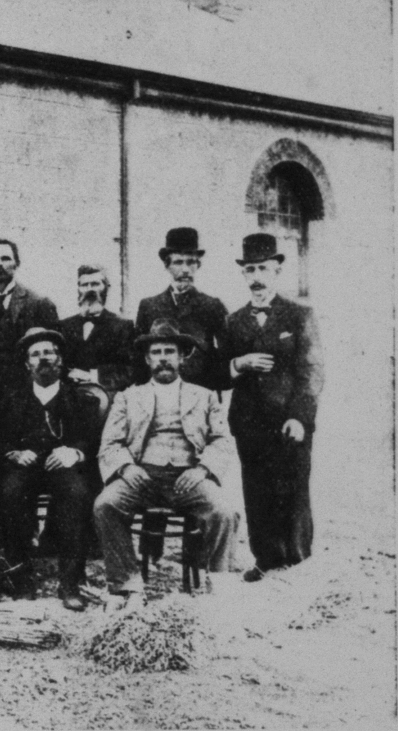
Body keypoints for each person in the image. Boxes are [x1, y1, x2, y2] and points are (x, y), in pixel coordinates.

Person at [95, 319, 239, 608]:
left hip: (190, 478)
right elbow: (109, 444)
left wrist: (202, 470)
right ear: (147, 359)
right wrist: (126, 467)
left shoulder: (205, 396)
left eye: (169, 351)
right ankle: (127, 586)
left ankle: (220, 585)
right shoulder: (128, 397)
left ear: (182, 356)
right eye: (157, 352)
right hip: (142, 477)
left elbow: (222, 441)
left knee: (225, 512)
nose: (163, 358)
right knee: (105, 505)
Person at [223, 234, 324, 582]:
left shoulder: (299, 315)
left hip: (288, 421)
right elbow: (222, 370)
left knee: (293, 489)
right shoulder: (233, 321)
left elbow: (311, 372)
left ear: (277, 270)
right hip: (249, 422)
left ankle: (297, 561)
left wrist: (299, 416)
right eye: (250, 269)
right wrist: (240, 362)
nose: (256, 276)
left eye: (263, 268)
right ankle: (264, 558)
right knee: (256, 490)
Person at [0, 327, 97, 610]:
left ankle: (71, 582)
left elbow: (91, 436)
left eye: (49, 352)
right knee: (11, 493)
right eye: (35, 354)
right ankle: (21, 578)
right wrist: (15, 453)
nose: (43, 359)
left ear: (60, 360)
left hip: (62, 466)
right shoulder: (11, 397)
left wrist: (73, 451)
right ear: (27, 364)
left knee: (77, 494)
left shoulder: (79, 397)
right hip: (27, 466)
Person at [0, 237, 59, 547]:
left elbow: (51, 357)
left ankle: (26, 531)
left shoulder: (37, 302)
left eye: (6, 258)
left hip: (26, 400)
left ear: (16, 263)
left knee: (25, 464)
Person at [134, 228, 228, 391]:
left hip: (200, 393)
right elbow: (139, 359)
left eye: (191, 262)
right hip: (158, 394)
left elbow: (224, 357)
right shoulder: (148, 306)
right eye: (178, 262)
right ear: (167, 265)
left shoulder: (213, 306)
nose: (185, 269)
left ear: (198, 265)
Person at [57, 264, 136, 395]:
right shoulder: (64, 326)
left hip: (108, 399)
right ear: (78, 289)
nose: (89, 290)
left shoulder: (123, 326)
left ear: (106, 288)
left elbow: (130, 370)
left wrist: (93, 376)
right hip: (69, 401)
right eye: (84, 285)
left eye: (95, 284)